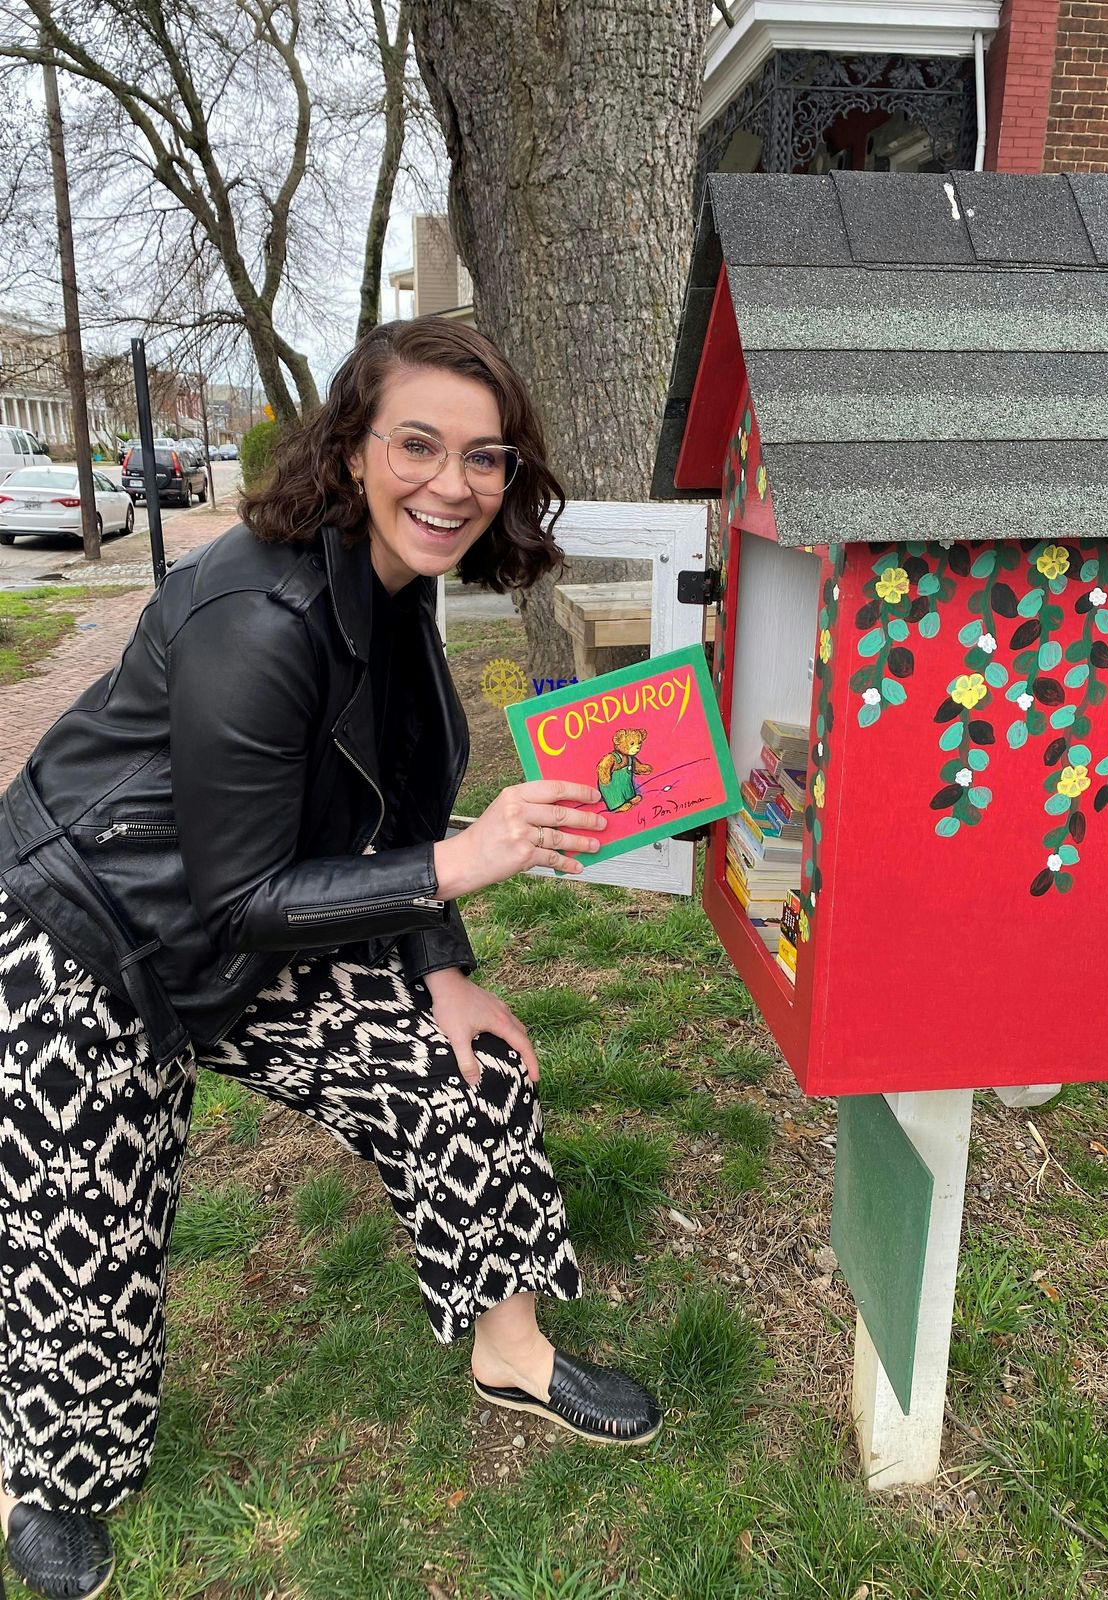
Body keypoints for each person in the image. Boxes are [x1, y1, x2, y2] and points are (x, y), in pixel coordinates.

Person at [0, 316, 662, 1600]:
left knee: (465, 1069)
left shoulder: (399, 590)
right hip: (92, 935)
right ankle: (54, 1473)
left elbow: (394, 811)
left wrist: (443, 963)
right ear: (354, 447)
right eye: (419, 445)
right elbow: (247, 889)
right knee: (87, 1224)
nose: (453, 484)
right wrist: (466, 865)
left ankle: (512, 1351)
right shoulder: (258, 609)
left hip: (260, 911)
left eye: (487, 458)